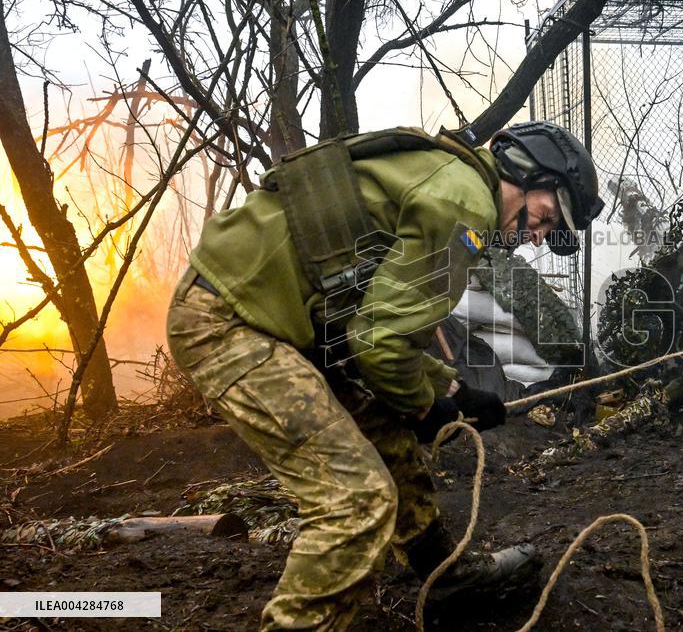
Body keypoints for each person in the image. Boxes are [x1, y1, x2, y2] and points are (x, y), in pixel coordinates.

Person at [166, 121, 604, 630]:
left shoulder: (448, 175)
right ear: (525, 172)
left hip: (266, 317)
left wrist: (452, 390)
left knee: (388, 441)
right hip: (230, 323)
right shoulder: (465, 206)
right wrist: (425, 408)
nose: (537, 236)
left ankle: (448, 579)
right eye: (546, 217)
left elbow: (371, 323)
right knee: (356, 502)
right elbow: (382, 343)